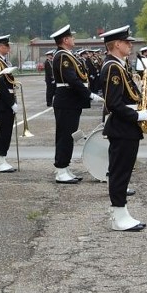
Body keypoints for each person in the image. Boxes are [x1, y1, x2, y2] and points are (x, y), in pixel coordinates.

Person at [98, 25, 147, 231]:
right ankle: (118, 216)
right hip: (121, 126)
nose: (130, 45)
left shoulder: (119, 65)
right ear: (116, 44)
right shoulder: (112, 67)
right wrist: (136, 115)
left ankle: (122, 212)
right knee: (119, 172)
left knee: (125, 171)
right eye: (127, 42)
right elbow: (113, 103)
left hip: (126, 127)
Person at [50, 24, 103, 183]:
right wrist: (90, 95)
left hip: (71, 101)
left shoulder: (67, 55)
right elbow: (72, 79)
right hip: (67, 100)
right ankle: (60, 170)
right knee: (65, 136)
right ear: (65, 40)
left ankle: (65, 167)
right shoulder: (62, 56)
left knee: (69, 136)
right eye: (71, 37)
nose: (74, 39)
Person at [0, 34, 18, 172]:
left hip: (7, 101)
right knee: (3, 131)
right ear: (0, 47)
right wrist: (10, 102)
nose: (9, 47)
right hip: (2, 102)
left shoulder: (4, 61)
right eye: (7, 45)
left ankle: (2, 158)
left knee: (6, 131)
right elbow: (0, 85)